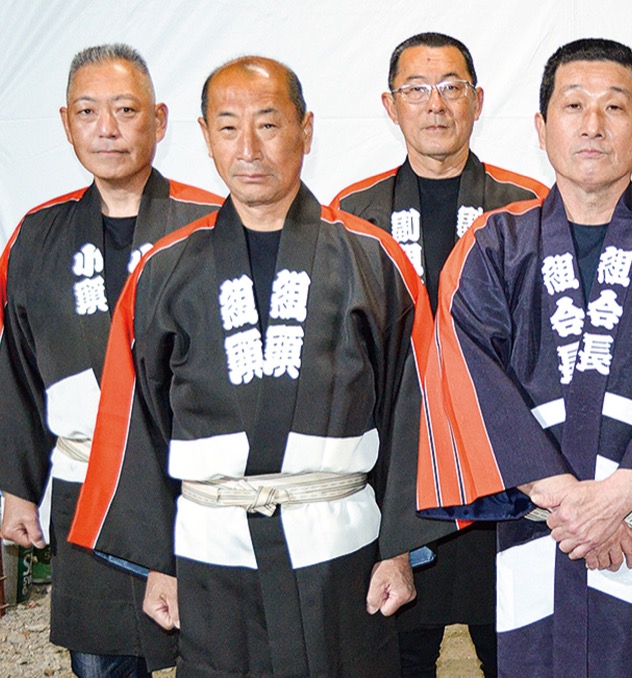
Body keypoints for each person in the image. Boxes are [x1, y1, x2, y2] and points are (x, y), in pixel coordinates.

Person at [68, 56, 451, 676]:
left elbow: (417, 410)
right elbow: (136, 421)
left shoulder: (372, 258)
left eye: (269, 125)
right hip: (211, 551)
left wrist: (401, 549)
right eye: (228, 128)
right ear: (205, 136)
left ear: (306, 130)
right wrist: (159, 562)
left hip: (341, 548)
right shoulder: (164, 269)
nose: (248, 148)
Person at [417, 38, 632, 676]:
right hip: (542, 532)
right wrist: (570, 504)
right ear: (541, 127)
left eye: (614, 107)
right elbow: (465, 379)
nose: (592, 124)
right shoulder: (493, 244)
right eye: (574, 105)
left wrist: (615, 501)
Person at [0, 43, 221, 678]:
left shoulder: (212, 222)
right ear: (66, 123)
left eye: (125, 110)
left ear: (159, 119)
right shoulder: (38, 234)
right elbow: (17, 369)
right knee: (101, 659)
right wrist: (19, 488)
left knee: (219, 653)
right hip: (89, 486)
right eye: (88, 111)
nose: (107, 128)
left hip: (198, 489)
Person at [332, 34, 547, 677]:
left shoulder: (527, 206)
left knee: (517, 654)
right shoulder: (351, 213)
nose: (436, 104)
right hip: (396, 474)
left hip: (500, 470)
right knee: (397, 657)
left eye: (452, 88)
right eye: (417, 90)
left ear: (477, 101)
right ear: (390, 105)